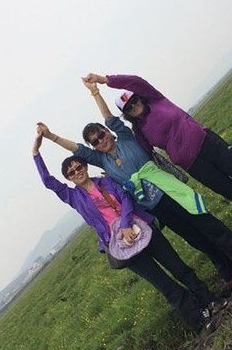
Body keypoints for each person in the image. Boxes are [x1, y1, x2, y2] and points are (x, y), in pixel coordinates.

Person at [41, 89, 232, 292]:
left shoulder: (125, 137)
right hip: (154, 206)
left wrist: (96, 93)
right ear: (94, 147)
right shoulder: (102, 161)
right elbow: (77, 149)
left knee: (209, 225)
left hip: (171, 191)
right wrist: (51, 137)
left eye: (101, 135)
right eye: (95, 142)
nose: (101, 141)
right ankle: (231, 273)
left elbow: (109, 117)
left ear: (108, 132)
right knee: (196, 239)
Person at [30, 125, 213, 328]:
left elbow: (125, 198)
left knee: (178, 267)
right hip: (121, 246)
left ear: (85, 167)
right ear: (69, 178)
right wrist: (36, 152)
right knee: (163, 284)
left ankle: (209, 300)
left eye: (79, 167)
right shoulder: (72, 197)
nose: (77, 172)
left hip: (141, 228)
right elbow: (48, 181)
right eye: (71, 172)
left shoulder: (106, 181)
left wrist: (125, 224)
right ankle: (198, 319)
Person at [94, 72, 232, 251]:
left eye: (134, 100)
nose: (134, 106)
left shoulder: (156, 99)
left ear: (140, 96)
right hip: (194, 166)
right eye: (128, 107)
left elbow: (135, 81)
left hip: (209, 144)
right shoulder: (140, 131)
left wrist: (105, 80)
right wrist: (117, 166)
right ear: (126, 113)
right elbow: (143, 157)